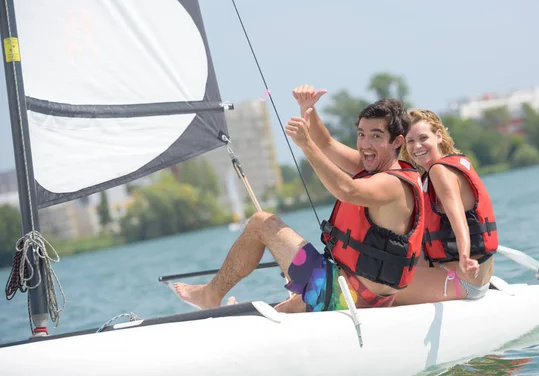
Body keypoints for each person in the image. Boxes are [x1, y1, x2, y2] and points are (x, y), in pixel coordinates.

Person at [173, 86, 424, 313]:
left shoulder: (392, 184)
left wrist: (305, 146)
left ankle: (211, 294)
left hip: (348, 296)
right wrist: (309, 110)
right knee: (284, 311)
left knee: (263, 223)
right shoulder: (376, 167)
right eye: (361, 134)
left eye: (376, 136)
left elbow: (347, 189)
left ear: (397, 142)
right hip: (356, 293)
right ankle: (239, 317)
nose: (365, 144)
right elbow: (325, 143)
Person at [393, 109, 498, 305]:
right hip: (474, 277)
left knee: (375, 291)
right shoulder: (455, 163)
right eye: (410, 141)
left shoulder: (439, 171)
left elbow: (459, 222)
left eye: (423, 138)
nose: (417, 146)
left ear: (439, 135)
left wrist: (465, 256)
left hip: (462, 280)